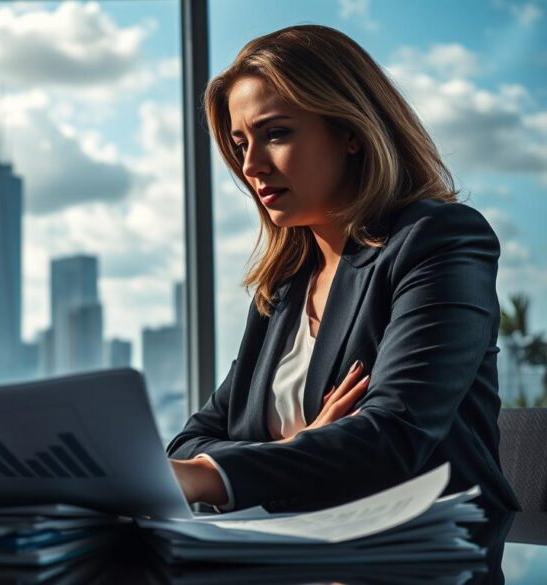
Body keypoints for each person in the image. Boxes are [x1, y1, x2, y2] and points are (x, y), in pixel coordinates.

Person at [167, 25, 519, 513]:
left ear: (350, 132)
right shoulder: (286, 285)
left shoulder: (439, 238)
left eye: (276, 134)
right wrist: (295, 450)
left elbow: (393, 437)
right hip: (287, 557)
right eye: (240, 143)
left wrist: (224, 471)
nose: (251, 165)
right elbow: (189, 443)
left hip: (409, 560)